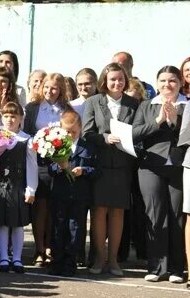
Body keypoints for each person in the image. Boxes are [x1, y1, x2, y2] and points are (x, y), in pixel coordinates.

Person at [82, 63, 140, 276]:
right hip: (100, 165)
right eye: (112, 79)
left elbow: (140, 131)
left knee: (117, 213)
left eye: (121, 79)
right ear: (104, 81)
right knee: (99, 212)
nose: (117, 83)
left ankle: (114, 260)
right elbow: (87, 133)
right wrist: (105, 138)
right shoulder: (93, 102)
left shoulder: (134, 103)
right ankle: (99, 257)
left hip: (123, 166)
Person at [132, 66, 186, 283]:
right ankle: (156, 267)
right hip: (150, 166)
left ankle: (176, 268)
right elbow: (134, 133)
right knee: (154, 216)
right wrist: (158, 122)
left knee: (176, 216)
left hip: (179, 167)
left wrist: (175, 122)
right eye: (162, 81)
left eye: (172, 80)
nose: (167, 85)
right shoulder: (146, 106)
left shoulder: (187, 105)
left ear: (180, 83)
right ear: (157, 84)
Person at [24, 72, 72, 267]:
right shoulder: (33, 108)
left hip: (60, 163)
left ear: (60, 90)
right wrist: (41, 142)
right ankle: (39, 248)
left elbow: (72, 132)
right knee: (40, 207)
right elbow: (27, 133)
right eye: (46, 87)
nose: (49, 91)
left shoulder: (66, 109)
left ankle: (53, 246)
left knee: (56, 207)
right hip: (39, 162)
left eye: (54, 88)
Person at [0, 102, 38, 273]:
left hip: (19, 186)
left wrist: (31, 189)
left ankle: (16, 258)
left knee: (18, 224)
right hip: (1, 186)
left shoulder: (27, 139)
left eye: (13, 116)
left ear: (20, 118)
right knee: (2, 224)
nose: (10, 120)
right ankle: (3, 257)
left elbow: (32, 166)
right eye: (6, 116)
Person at [49, 110, 98, 276]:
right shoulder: (56, 144)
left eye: (73, 131)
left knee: (75, 229)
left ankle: (71, 262)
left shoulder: (87, 147)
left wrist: (83, 170)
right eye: (66, 131)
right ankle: (57, 262)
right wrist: (59, 167)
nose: (70, 135)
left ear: (80, 128)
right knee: (58, 227)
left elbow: (96, 170)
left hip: (79, 196)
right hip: (60, 194)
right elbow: (49, 168)